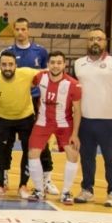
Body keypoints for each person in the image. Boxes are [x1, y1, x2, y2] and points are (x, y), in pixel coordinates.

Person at [73, 28, 112, 208]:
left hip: (108, 121)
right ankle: (87, 190)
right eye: (92, 39)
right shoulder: (78, 64)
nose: (95, 42)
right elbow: (74, 90)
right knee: (87, 158)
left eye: (99, 39)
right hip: (85, 120)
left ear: (105, 42)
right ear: (87, 42)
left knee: (110, 159)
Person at [2, 17, 56, 196]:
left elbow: (48, 75)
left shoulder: (40, 51)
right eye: (17, 29)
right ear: (14, 31)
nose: (20, 32)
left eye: (23, 29)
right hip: (12, 102)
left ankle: (47, 180)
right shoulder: (7, 52)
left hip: (35, 101)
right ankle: (4, 178)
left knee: (40, 141)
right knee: (7, 142)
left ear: (28, 30)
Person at [27, 52, 82, 203]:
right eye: (52, 62)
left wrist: (75, 134)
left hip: (64, 123)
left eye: (59, 63)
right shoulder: (39, 77)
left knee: (73, 154)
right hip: (43, 121)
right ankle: (39, 190)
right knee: (33, 153)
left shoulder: (73, 84)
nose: (55, 66)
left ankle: (66, 192)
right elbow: (25, 85)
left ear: (64, 65)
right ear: (48, 64)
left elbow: (78, 110)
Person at [0, 51, 39, 197]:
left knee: (28, 151)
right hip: (1, 118)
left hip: (25, 118)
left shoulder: (27, 73)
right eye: (4, 64)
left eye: (10, 64)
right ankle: (0, 185)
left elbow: (48, 74)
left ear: (16, 65)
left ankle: (23, 186)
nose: (7, 68)